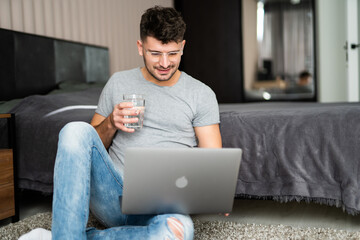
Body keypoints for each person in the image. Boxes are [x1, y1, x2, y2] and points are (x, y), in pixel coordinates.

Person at [50, 5, 222, 240]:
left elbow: (213, 163)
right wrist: (111, 122)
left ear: (182, 47)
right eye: (155, 53)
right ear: (140, 47)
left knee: (175, 233)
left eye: (172, 54)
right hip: (114, 195)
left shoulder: (201, 94)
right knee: (74, 130)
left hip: (165, 203)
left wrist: (217, 190)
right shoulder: (118, 82)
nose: (164, 63)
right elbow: (89, 147)